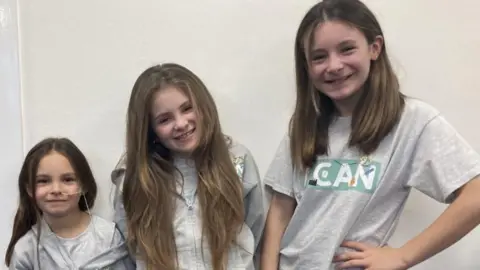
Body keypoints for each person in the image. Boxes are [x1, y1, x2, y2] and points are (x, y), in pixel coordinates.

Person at [260, 0, 480, 269]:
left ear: (374, 48)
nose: (334, 65)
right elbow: (281, 210)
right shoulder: (303, 126)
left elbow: (476, 194)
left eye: (347, 49)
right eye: (319, 56)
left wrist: (403, 255)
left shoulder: (412, 122)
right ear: (306, 66)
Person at [111, 63, 265, 270]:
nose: (181, 123)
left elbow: (254, 225)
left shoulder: (236, 159)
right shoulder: (134, 177)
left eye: (187, 108)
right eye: (164, 119)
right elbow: (130, 242)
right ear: (149, 129)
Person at [5, 137, 134, 270]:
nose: (56, 190)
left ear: (84, 185)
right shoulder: (26, 250)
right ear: (29, 189)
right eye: (43, 181)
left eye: (68, 179)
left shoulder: (110, 237)